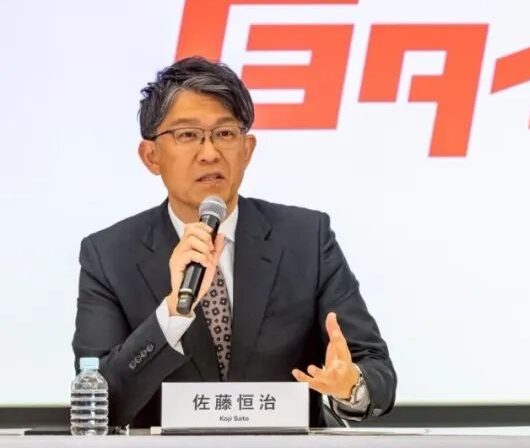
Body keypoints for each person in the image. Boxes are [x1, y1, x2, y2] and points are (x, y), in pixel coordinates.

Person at [72, 57, 395, 427]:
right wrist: (172, 315)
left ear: (247, 149)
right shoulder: (108, 256)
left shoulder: (306, 239)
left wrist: (351, 386)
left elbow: (376, 371)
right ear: (151, 156)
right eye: (187, 135)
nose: (210, 153)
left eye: (225, 134)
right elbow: (99, 402)